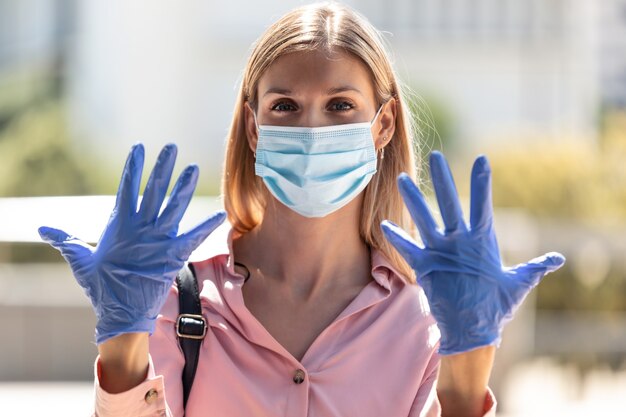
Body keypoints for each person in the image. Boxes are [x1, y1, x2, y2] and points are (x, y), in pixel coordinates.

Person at [39, 2, 565, 416]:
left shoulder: (424, 323)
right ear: (253, 126)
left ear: (382, 126)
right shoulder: (176, 299)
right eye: (284, 107)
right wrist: (122, 340)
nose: (312, 130)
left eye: (341, 106)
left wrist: (469, 368)